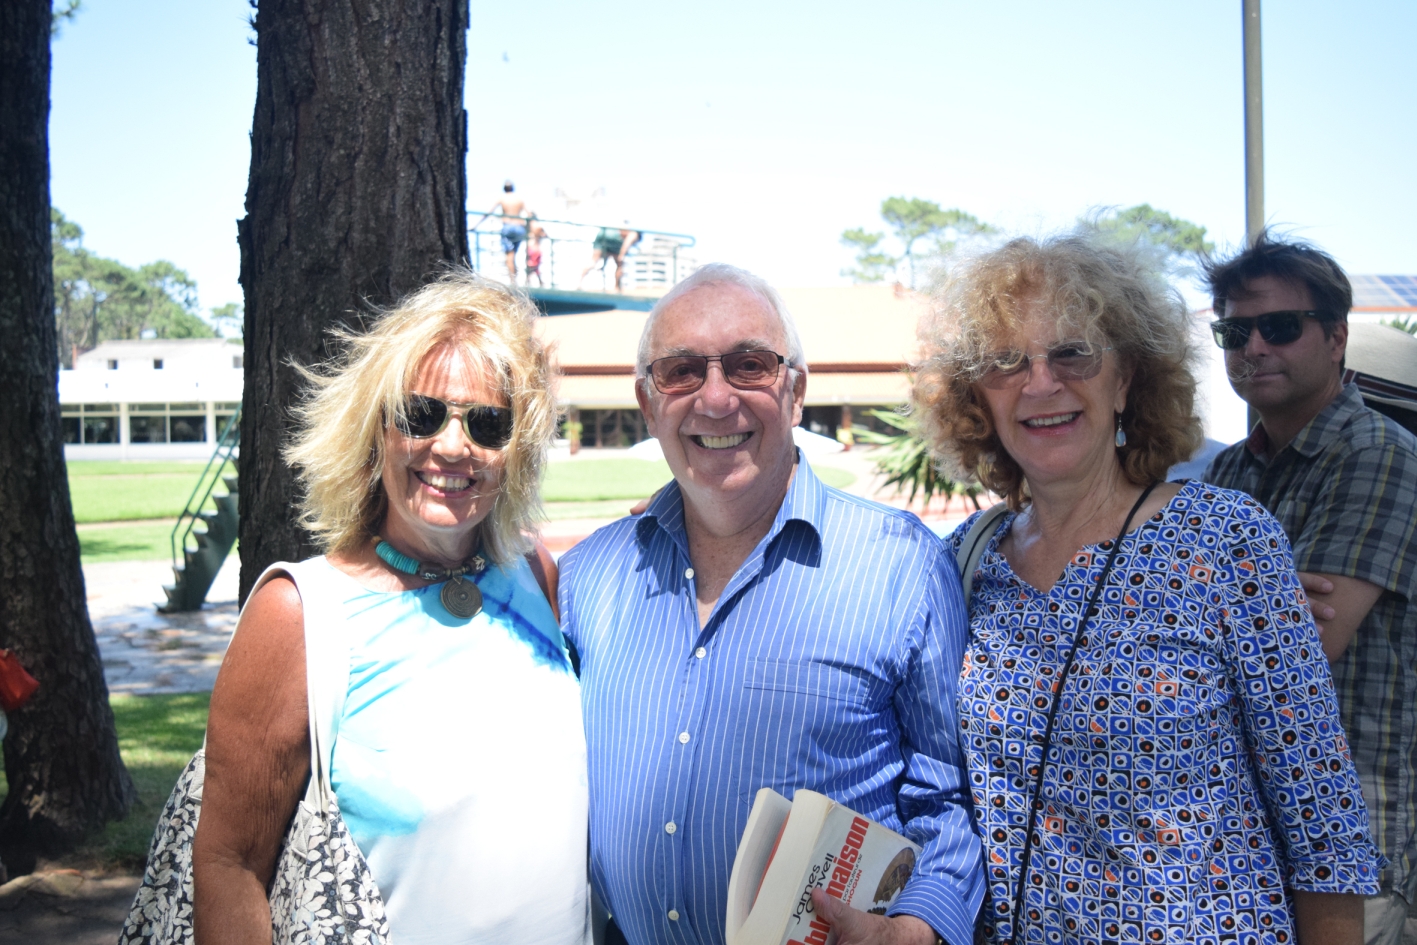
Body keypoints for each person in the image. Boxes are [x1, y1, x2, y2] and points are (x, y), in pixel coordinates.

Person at [914, 233, 1383, 945]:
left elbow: (1321, 820)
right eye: (1007, 362)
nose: (1040, 383)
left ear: (1126, 378)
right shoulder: (965, 562)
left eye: (1072, 352)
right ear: (977, 396)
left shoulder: (1223, 540)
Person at [558, 264, 984, 945]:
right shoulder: (587, 579)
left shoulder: (901, 566)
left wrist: (916, 928)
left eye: (748, 365)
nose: (716, 398)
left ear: (794, 391)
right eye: (681, 371)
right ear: (647, 400)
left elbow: (951, 795)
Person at [191, 272, 589, 943]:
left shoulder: (534, 571)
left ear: (513, 452)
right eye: (421, 413)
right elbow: (228, 864)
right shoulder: (298, 613)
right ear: (376, 428)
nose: (453, 446)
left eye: (488, 424)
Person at [1201, 232, 1417, 945]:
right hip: (1249, 847)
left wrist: (1196, 608)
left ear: (1335, 337)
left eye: (1279, 326)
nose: (1253, 346)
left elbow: (1304, 649)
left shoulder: (1377, 453)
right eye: (1234, 330)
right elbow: (1257, 636)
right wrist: (1259, 605)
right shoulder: (1229, 470)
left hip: (1358, 856)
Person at [487, 180, 530, 283]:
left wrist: (475, 225)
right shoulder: (519, 199)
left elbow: (489, 212)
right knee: (514, 254)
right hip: (520, 228)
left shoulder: (502, 198)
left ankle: (513, 281)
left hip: (508, 227)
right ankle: (516, 278)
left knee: (509, 256)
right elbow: (529, 214)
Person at [577, 224, 640, 292]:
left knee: (593, 261)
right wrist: (621, 255)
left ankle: (579, 283)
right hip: (613, 238)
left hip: (603, 233)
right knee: (620, 265)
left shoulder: (628, 227)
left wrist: (604, 263)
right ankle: (617, 288)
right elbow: (626, 243)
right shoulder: (635, 233)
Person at [526, 223, 548, 287]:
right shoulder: (533, 235)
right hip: (534, 250)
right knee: (533, 268)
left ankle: (531, 281)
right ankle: (539, 282)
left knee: (534, 268)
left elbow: (545, 235)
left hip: (535, 250)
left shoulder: (535, 234)